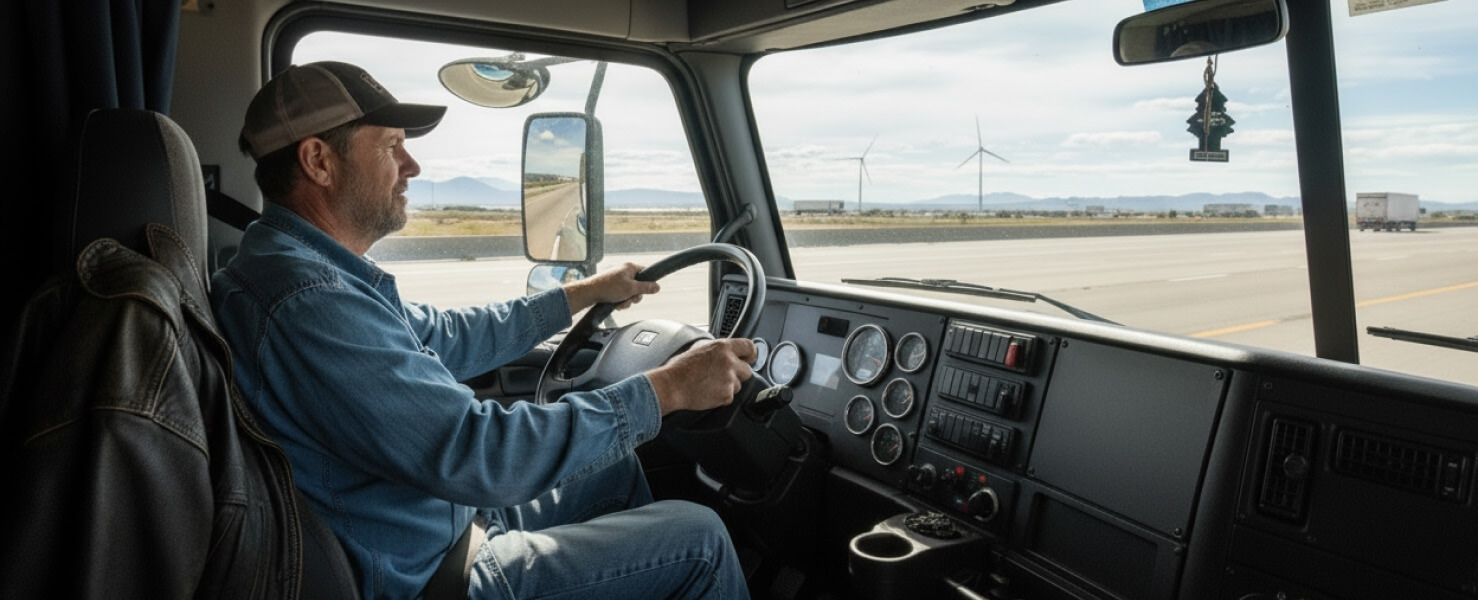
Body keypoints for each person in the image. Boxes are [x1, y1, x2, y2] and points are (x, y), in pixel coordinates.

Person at [211, 61, 756, 600]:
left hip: (434, 524)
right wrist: (669, 388)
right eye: (391, 146)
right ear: (318, 161)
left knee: (613, 465)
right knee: (699, 541)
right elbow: (480, 456)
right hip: (429, 577)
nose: (412, 165)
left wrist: (584, 293)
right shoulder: (309, 303)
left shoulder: (303, 269)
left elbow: (444, 335)